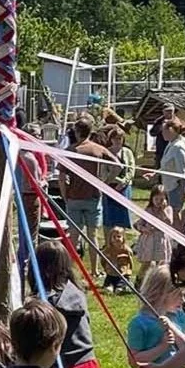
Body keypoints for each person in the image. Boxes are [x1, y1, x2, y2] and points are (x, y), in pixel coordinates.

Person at [61, 116, 118, 278]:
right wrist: (105, 183)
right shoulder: (98, 149)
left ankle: (69, 270)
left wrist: (65, 195)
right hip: (93, 197)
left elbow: (61, 176)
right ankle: (94, 270)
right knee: (93, 236)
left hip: (74, 197)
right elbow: (118, 166)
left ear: (77, 132)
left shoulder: (70, 151)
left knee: (73, 236)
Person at [100, 125, 136, 242]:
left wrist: (124, 182)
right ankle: (108, 242)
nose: (117, 141)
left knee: (122, 218)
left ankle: (121, 243)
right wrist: (112, 181)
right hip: (109, 187)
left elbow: (131, 169)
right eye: (115, 138)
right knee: (109, 218)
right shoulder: (106, 152)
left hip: (124, 188)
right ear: (111, 139)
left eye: (120, 138)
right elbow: (103, 170)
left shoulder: (128, 152)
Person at [134, 185, 174, 275]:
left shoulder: (168, 210)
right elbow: (139, 224)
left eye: (161, 199)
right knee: (146, 263)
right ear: (152, 199)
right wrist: (144, 229)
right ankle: (139, 282)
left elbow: (169, 223)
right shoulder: (148, 210)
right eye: (156, 199)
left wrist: (163, 211)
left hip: (161, 240)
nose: (158, 202)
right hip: (149, 240)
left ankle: (159, 282)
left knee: (161, 263)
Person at [158, 118, 185, 213]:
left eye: (164, 131)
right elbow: (169, 165)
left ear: (171, 131)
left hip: (177, 187)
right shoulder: (171, 144)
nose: (162, 134)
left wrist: (183, 191)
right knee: (170, 211)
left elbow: (183, 171)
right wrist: (154, 173)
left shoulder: (179, 147)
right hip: (169, 186)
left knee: (176, 213)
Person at [100, 226, 133, 293]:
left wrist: (129, 270)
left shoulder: (126, 250)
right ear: (110, 239)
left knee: (121, 285)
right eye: (114, 237)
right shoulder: (107, 250)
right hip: (111, 274)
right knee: (108, 287)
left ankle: (122, 287)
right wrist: (106, 268)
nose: (116, 239)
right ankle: (109, 286)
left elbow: (130, 262)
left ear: (123, 238)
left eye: (118, 236)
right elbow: (102, 260)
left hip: (122, 274)